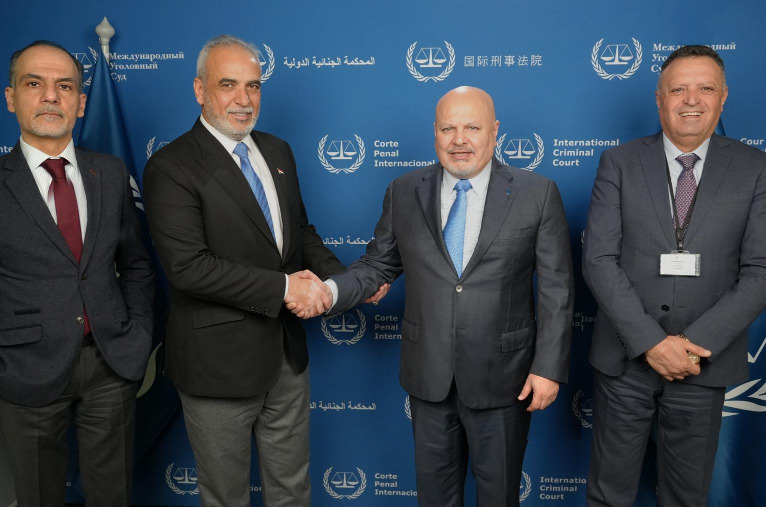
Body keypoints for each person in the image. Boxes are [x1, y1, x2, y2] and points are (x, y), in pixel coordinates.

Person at [143, 35, 384, 507]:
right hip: (217, 366)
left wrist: (347, 281)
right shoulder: (171, 166)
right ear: (199, 89)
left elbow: (300, 234)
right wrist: (285, 288)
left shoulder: (277, 151)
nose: (243, 99)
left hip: (286, 357)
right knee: (226, 497)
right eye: (228, 84)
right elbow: (189, 268)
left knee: (292, 490)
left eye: (253, 86)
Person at [317, 86, 574, 506]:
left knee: (499, 497)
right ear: (434, 132)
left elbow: (557, 289)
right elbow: (378, 266)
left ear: (495, 131)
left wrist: (548, 368)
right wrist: (328, 291)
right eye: (448, 129)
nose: (459, 140)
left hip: (504, 378)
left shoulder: (538, 193)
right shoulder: (403, 190)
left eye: (472, 127)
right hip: (429, 376)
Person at [583, 45, 766, 506]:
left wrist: (690, 346)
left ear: (723, 97)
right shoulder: (619, 162)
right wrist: (652, 342)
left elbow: (760, 271)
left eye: (705, 88)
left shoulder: (756, 168)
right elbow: (599, 259)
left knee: (686, 496)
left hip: (702, 363)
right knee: (609, 493)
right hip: (626, 360)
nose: (692, 100)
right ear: (659, 98)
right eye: (678, 89)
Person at [0, 40, 154, 506]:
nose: (51, 96)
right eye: (34, 83)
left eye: (64, 86)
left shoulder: (110, 173)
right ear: (11, 97)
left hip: (109, 363)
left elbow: (136, 263)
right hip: (25, 368)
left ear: (81, 102)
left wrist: (136, 335)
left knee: (113, 497)